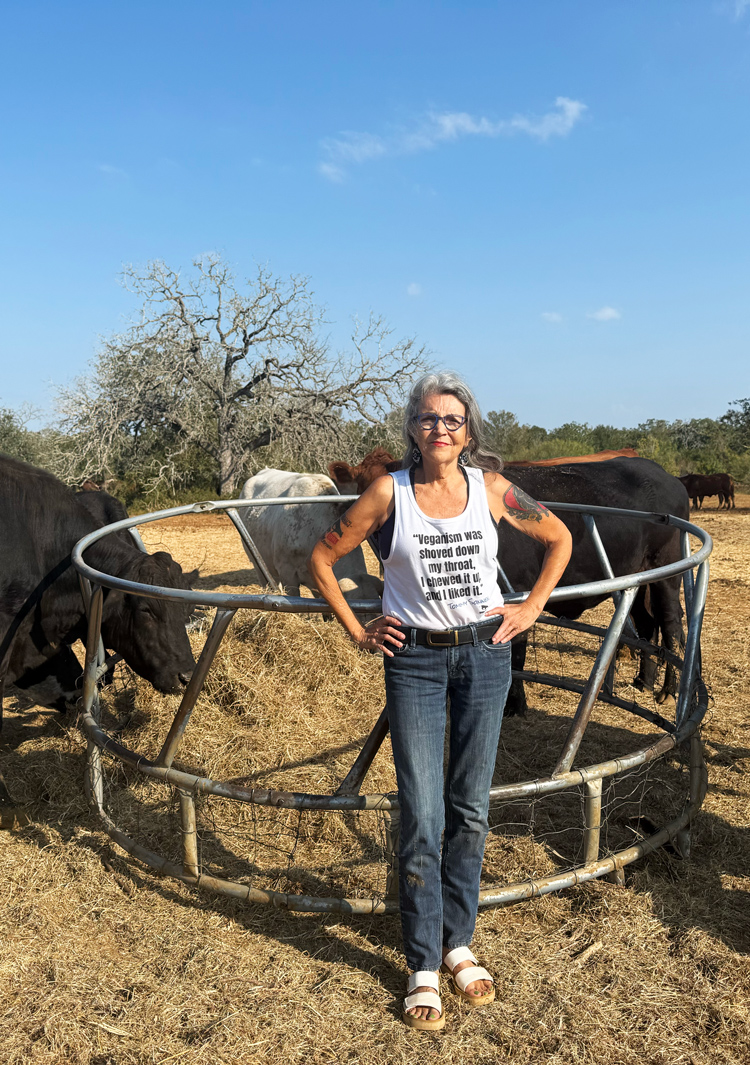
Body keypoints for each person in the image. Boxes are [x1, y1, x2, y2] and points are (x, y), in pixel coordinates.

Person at [309, 372, 572, 1031]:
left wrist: (532, 604)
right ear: (412, 429)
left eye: (452, 420)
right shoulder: (386, 491)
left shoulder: (491, 488)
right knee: (423, 813)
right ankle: (422, 962)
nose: (440, 430)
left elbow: (559, 538)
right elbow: (322, 555)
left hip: (487, 655)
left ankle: (460, 941)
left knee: (470, 809)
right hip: (415, 661)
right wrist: (356, 626)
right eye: (428, 419)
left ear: (469, 430)